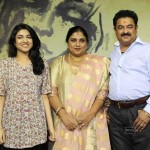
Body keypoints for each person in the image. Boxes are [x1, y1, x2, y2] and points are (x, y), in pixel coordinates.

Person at [48, 26, 111, 150]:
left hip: (91, 121)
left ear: (87, 44)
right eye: (73, 40)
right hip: (65, 122)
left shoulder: (100, 63)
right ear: (67, 43)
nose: (77, 44)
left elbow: (102, 94)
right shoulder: (57, 63)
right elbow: (52, 92)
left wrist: (89, 115)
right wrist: (64, 116)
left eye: (82, 40)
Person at [0, 23, 55, 150]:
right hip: (12, 128)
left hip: (37, 128)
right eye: (20, 37)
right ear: (14, 42)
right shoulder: (4, 65)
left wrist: (51, 128)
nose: (25, 40)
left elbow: (45, 97)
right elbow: (1, 98)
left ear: (33, 40)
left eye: (28, 37)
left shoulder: (42, 65)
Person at [108, 10, 150, 150]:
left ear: (136, 28)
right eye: (120, 27)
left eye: (129, 27)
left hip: (139, 112)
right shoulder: (113, 54)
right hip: (115, 115)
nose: (125, 31)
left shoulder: (147, 50)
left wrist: (148, 111)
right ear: (115, 30)